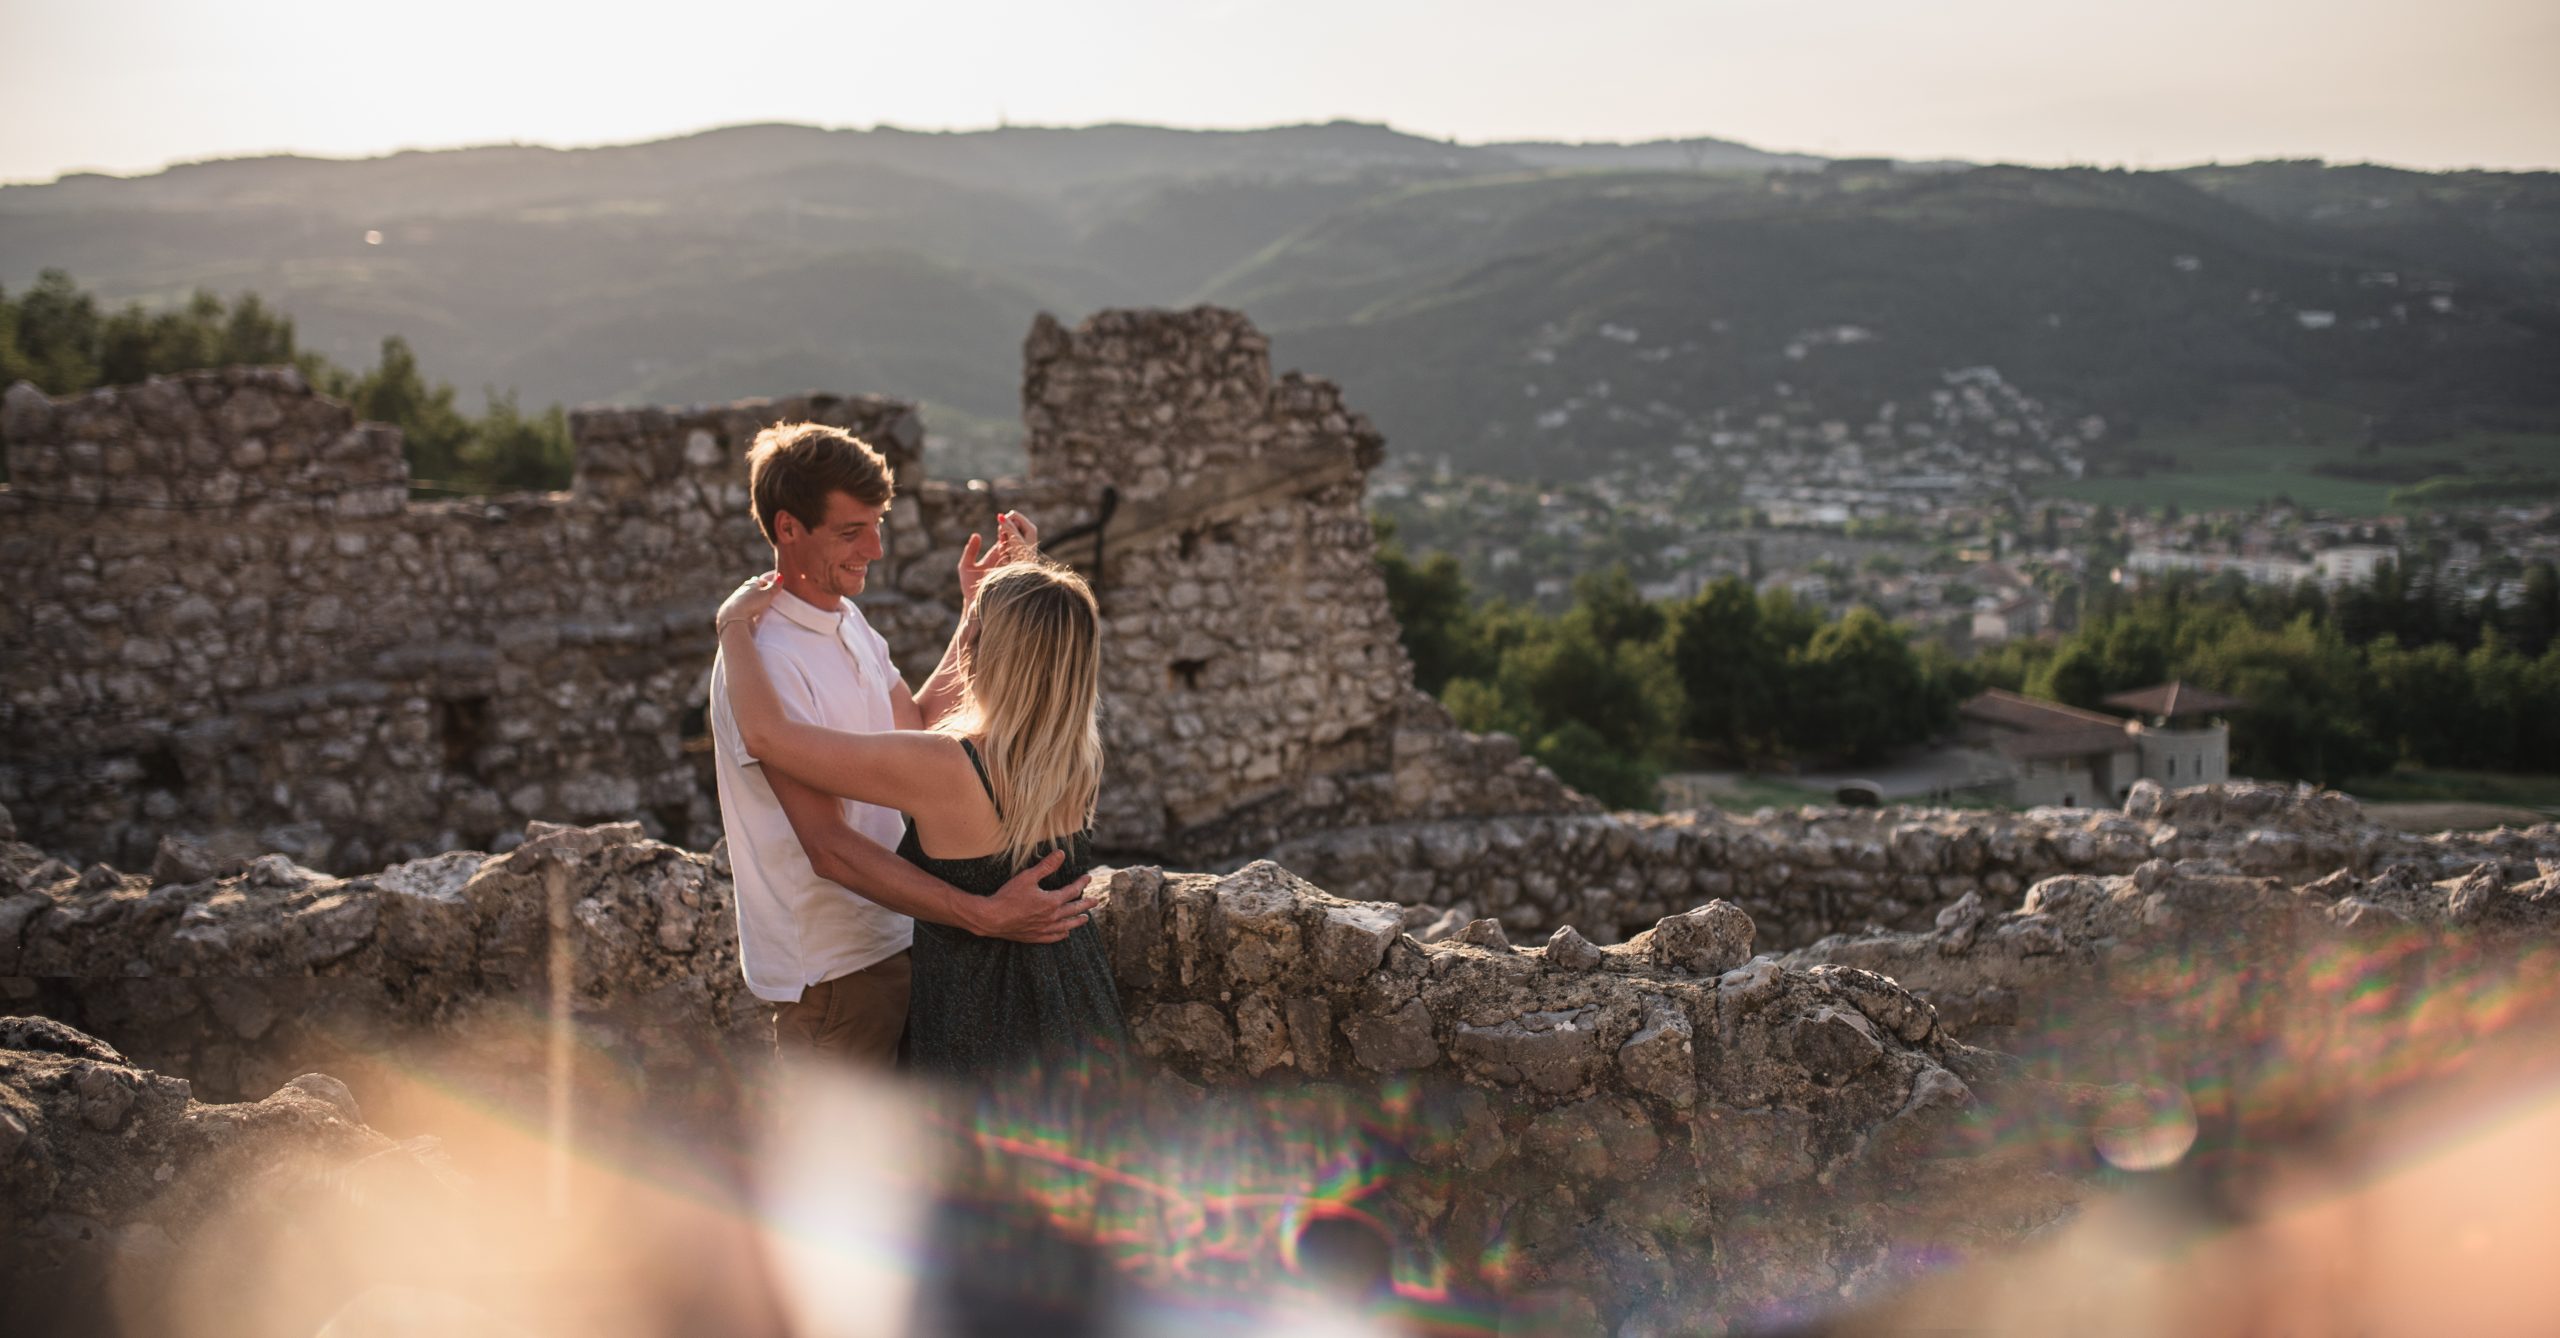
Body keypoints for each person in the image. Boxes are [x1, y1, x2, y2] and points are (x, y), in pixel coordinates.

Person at [707, 421, 1092, 1069]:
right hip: (835, 972)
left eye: (877, 523)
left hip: (899, 938)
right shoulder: (764, 659)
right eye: (852, 532)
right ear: (787, 529)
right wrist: (981, 914)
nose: (877, 549)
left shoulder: (846, 620)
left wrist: (974, 610)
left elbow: (912, 729)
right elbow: (828, 848)